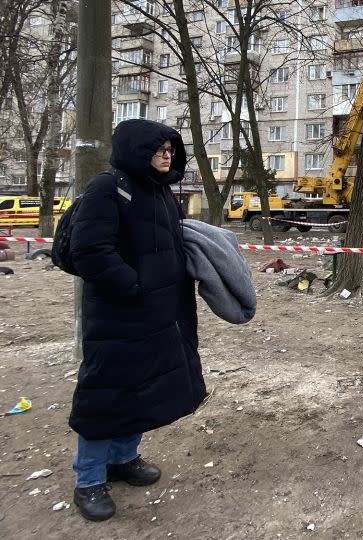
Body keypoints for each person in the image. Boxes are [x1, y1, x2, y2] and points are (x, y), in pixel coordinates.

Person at [68, 119, 207, 521]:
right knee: (105, 394)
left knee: (141, 389)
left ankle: (123, 459)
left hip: (158, 316)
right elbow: (90, 251)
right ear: (136, 149)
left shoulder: (161, 191)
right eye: (159, 149)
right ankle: (89, 480)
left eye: (170, 149)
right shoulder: (107, 189)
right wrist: (134, 288)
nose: (167, 155)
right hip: (116, 317)